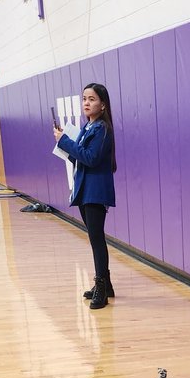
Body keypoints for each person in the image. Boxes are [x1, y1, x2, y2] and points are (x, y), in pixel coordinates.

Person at [53, 83, 117, 311]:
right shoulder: (88, 127)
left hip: (95, 191)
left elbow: (90, 158)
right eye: (84, 99)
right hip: (84, 188)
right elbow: (79, 159)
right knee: (93, 238)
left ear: (103, 105)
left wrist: (65, 142)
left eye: (92, 99)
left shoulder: (102, 129)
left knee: (97, 240)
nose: (87, 103)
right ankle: (106, 283)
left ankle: (102, 287)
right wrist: (65, 147)